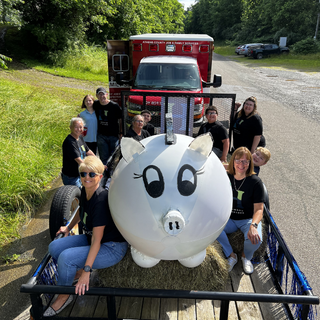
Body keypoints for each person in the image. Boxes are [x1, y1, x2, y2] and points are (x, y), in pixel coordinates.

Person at [44, 156, 128, 317]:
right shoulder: (85, 190)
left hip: (111, 247)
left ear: (100, 177)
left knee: (66, 258)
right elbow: (81, 210)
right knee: (54, 247)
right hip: (92, 239)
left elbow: (97, 240)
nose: (87, 178)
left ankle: (64, 296)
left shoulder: (101, 199)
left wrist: (87, 271)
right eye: (83, 174)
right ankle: (73, 274)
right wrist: (67, 227)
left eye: (92, 174)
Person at [216, 147, 265, 274]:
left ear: (250, 163)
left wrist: (254, 225)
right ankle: (232, 255)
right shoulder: (225, 177)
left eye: (245, 161)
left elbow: (259, 209)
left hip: (247, 219)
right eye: (238, 160)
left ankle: (246, 256)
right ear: (233, 161)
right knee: (212, 229)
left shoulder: (256, 182)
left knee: (256, 238)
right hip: (229, 218)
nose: (241, 164)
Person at [61, 117, 95, 188]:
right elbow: (80, 162)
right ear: (70, 127)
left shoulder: (80, 137)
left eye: (80, 127)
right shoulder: (70, 142)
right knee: (76, 196)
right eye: (76, 127)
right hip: (71, 178)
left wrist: (98, 162)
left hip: (79, 174)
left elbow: (88, 151)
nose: (79, 129)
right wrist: (94, 168)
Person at [93, 87, 123, 165]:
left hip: (113, 135)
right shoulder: (95, 104)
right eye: (99, 95)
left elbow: (120, 119)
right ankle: (105, 175)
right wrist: (80, 115)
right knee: (103, 158)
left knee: (113, 157)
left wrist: (120, 132)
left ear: (106, 94)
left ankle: (113, 175)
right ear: (96, 96)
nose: (101, 96)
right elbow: (88, 109)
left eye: (103, 94)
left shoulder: (114, 106)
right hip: (101, 135)